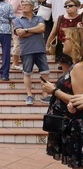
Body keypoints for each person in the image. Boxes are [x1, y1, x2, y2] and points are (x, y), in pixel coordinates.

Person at [42, 27, 83, 167]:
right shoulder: (75, 66)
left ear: (76, 43)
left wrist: (54, 90)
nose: (62, 42)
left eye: (66, 39)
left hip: (77, 125)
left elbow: (78, 100)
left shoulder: (78, 68)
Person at [12, 0, 49, 105]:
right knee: (27, 73)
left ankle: (45, 95)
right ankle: (29, 95)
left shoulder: (39, 18)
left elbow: (42, 28)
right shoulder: (17, 20)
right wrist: (34, 31)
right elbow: (20, 33)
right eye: (22, 5)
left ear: (32, 7)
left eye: (26, 4)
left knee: (45, 72)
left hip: (40, 49)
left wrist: (27, 30)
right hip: (26, 50)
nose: (23, 6)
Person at [46, 0, 81, 69]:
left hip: (78, 47)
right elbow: (53, 33)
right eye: (66, 6)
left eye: (70, 6)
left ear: (77, 7)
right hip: (63, 47)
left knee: (78, 69)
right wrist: (47, 46)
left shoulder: (81, 18)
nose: (68, 7)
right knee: (66, 71)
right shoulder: (60, 18)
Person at [8, 0, 31, 71]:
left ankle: (18, 61)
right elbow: (11, 12)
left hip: (23, 22)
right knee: (17, 43)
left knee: (21, 43)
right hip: (17, 23)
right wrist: (16, 24)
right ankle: (14, 63)